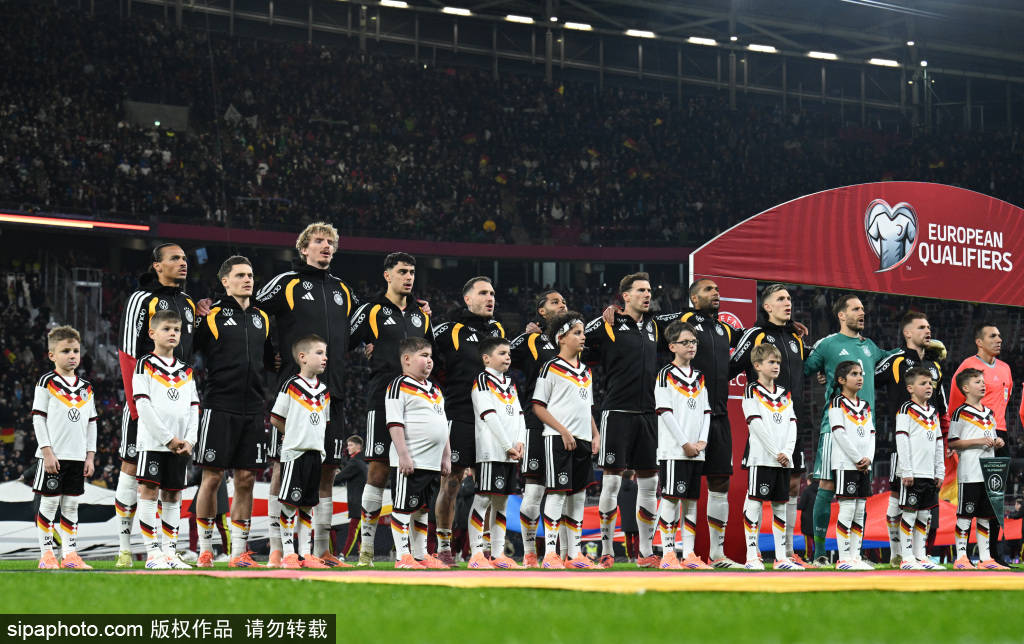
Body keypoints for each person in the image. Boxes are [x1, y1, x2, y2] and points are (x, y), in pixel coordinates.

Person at [256, 222, 359, 567]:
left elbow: (359, 327)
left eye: (330, 242)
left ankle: (321, 550)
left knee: (326, 469)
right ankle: (277, 548)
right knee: (282, 466)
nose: (326, 246)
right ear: (303, 249)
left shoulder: (343, 289)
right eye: (318, 241)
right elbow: (253, 314)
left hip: (334, 392)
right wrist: (268, 353)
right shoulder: (286, 282)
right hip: (296, 392)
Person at [115, 242, 197, 568]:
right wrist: (137, 409)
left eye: (185, 258)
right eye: (175, 258)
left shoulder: (188, 303)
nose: (183, 262)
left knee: (172, 487)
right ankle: (124, 548)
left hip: (176, 402)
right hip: (144, 403)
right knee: (131, 469)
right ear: (157, 266)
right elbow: (127, 352)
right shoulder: (141, 299)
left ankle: (168, 551)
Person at [349, 252, 432, 567]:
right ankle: (367, 551)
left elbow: (431, 353)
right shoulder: (370, 310)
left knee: (417, 473)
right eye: (402, 271)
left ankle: (414, 553)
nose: (408, 277)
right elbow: (343, 340)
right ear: (387, 275)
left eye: (412, 272)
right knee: (379, 470)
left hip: (419, 403)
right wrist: (363, 347)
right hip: (382, 398)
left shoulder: (422, 315)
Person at [192, 255, 275, 568]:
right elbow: (188, 349)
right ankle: (205, 549)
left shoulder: (262, 318)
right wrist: (196, 315)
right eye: (240, 275)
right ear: (225, 281)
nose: (247, 280)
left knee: (246, 479)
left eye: (250, 275)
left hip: (253, 408)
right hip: (219, 405)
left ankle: (239, 551)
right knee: (212, 478)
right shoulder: (212, 314)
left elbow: (271, 360)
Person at [804, 293, 896, 566]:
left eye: (863, 308)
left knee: (860, 492)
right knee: (826, 486)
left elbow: (891, 360)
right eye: (856, 309)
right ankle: (819, 552)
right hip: (835, 428)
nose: (862, 313)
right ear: (841, 315)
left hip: (864, 428)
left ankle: (855, 553)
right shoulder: (828, 344)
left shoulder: (871, 347)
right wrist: (822, 372)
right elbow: (806, 367)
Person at [655, 279, 741, 568]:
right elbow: (649, 323)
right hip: (685, 422)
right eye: (708, 289)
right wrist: (619, 316)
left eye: (717, 289)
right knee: (674, 493)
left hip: (716, 416)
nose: (716, 293)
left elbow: (749, 343)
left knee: (719, 482)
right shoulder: (684, 319)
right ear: (693, 298)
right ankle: (668, 552)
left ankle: (716, 554)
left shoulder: (724, 329)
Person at [730, 283, 809, 567]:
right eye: (781, 299)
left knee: (792, 486)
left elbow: (807, 366)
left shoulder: (796, 337)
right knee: (757, 495)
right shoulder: (756, 335)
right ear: (767, 306)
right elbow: (731, 366)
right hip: (765, 423)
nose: (788, 303)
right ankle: (754, 554)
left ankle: (785, 553)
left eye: (789, 298)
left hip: (791, 418)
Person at [586, 273, 660, 568]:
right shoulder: (610, 323)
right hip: (616, 412)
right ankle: (606, 550)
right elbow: (577, 335)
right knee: (612, 481)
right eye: (641, 290)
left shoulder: (654, 326)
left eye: (649, 290)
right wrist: (602, 317)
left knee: (650, 483)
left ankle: (645, 552)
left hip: (648, 414)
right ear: (625, 296)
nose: (647, 294)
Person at [431, 277, 505, 565]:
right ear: (467, 299)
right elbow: (421, 353)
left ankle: (481, 549)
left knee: (488, 486)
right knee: (451, 482)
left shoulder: (498, 330)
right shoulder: (449, 330)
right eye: (483, 293)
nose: (490, 298)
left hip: (492, 417)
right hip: (460, 413)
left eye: (493, 293)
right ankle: (444, 547)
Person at [874, 311, 947, 564]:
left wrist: (945, 438)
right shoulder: (895, 361)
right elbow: (865, 380)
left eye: (929, 327)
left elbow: (941, 405)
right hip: (903, 443)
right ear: (907, 333)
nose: (928, 331)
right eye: (921, 327)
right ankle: (897, 553)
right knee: (898, 497)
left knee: (921, 506)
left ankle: (916, 554)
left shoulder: (934, 367)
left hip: (929, 439)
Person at [132, 310, 200, 569]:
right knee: (149, 492)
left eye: (177, 329)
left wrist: (190, 440)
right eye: (167, 329)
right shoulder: (144, 364)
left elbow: (194, 406)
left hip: (180, 446)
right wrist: (168, 439)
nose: (173, 333)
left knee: (173, 495)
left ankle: (170, 553)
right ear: (152, 333)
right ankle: (153, 554)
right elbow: (143, 405)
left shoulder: (186, 370)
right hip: (153, 443)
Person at [533, 311, 600, 569]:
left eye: (583, 333)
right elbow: (538, 406)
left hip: (582, 439)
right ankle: (550, 554)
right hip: (558, 439)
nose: (583, 337)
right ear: (561, 337)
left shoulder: (586, 371)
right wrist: (562, 431)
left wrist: (595, 433)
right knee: (557, 493)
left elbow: (586, 407)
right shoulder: (551, 367)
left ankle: (574, 554)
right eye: (577, 333)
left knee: (578, 497)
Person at [947, 323, 1014, 566]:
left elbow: (1005, 401)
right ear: (979, 342)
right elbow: (956, 402)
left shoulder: (1005, 368)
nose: (999, 339)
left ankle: (992, 554)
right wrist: (955, 437)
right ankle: (964, 555)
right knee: (969, 506)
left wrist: (997, 434)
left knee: (994, 498)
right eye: (993, 336)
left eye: (1000, 335)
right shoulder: (968, 366)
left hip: (997, 432)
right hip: (972, 436)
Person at [31, 326, 97, 570]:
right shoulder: (47, 382)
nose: (72, 355)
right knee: (49, 504)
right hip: (53, 456)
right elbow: (38, 419)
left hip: (77, 456)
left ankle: (70, 555)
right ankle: (46, 554)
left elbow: (92, 423)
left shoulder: (86, 387)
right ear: (52, 355)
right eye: (65, 351)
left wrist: (90, 456)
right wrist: (47, 452)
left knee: (71, 506)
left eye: (76, 351)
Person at [509, 290, 566, 567]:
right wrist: (524, 334)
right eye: (555, 302)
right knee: (534, 489)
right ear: (541, 311)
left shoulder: (573, 339)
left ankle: (563, 553)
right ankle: (530, 553)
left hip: (568, 422)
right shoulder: (531, 340)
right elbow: (499, 355)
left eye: (564, 301)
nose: (562, 305)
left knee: (565, 490)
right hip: (537, 421)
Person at [386, 337, 452, 569]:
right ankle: (402, 557)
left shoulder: (435, 389)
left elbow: (443, 424)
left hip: (432, 461)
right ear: (406, 359)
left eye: (430, 356)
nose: (429, 360)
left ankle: (421, 554)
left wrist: (446, 456)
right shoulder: (399, 385)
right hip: (411, 459)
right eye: (423, 355)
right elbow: (394, 422)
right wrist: (403, 455)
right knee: (403, 508)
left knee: (422, 509)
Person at [653, 320, 712, 570]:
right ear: (672, 346)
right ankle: (668, 554)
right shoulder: (665, 375)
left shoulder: (699, 377)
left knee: (690, 502)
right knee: (670, 499)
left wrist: (702, 441)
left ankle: (689, 555)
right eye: (685, 342)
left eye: (694, 342)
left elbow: (706, 411)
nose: (691, 346)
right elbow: (665, 412)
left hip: (696, 450)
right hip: (674, 450)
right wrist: (685, 443)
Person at [269, 335, 332, 569]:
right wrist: (292, 432)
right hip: (295, 453)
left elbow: (323, 422)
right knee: (289, 503)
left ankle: (305, 553)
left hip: (315, 453)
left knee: (307, 504)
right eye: (319, 353)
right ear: (303, 357)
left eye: (325, 353)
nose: (325, 358)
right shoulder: (291, 385)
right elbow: (276, 417)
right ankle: (288, 553)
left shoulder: (324, 390)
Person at [740, 344, 801, 571]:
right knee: (754, 503)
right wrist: (777, 452)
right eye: (771, 362)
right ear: (757, 366)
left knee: (780, 507)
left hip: (783, 458)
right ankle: (751, 555)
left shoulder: (785, 393)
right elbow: (755, 424)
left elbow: (792, 423)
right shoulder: (751, 390)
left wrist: (787, 452)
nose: (776, 366)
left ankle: (780, 558)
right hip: (762, 458)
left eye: (778, 362)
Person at [467, 337, 526, 569]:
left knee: (501, 502)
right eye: (502, 353)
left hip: (509, 452)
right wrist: (506, 445)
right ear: (486, 358)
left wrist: (520, 442)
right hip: (490, 451)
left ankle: (498, 554)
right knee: (482, 499)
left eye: (509, 353)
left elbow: (519, 414)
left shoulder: (510, 382)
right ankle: (476, 554)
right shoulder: (482, 380)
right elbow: (488, 414)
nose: (507, 357)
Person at [895, 366, 945, 571]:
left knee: (925, 516)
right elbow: (902, 439)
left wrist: (939, 470)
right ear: (910, 388)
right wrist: (906, 470)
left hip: (929, 473)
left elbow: (939, 442)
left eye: (930, 383)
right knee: (909, 514)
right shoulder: (906, 409)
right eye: (923, 383)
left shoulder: (933, 411)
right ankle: (907, 557)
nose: (929, 386)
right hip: (913, 473)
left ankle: (921, 556)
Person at [828, 362, 875, 571]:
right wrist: (858, 458)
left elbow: (871, 433)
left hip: (863, 465)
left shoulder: (865, 405)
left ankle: (856, 557)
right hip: (845, 463)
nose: (859, 377)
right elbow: (839, 433)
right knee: (847, 509)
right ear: (841, 380)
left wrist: (868, 458)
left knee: (859, 510)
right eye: (854, 374)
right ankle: (844, 557)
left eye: (860, 374)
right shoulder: (837, 403)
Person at [338, 436, 368, 560]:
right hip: (361, 502)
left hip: (357, 503)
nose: (348, 448)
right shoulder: (360, 461)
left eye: (350, 445)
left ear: (358, 446)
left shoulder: (355, 463)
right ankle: (364, 556)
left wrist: (330, 477)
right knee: (360, 532)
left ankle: (343, 555)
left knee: (353, 530)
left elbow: (339, 478)